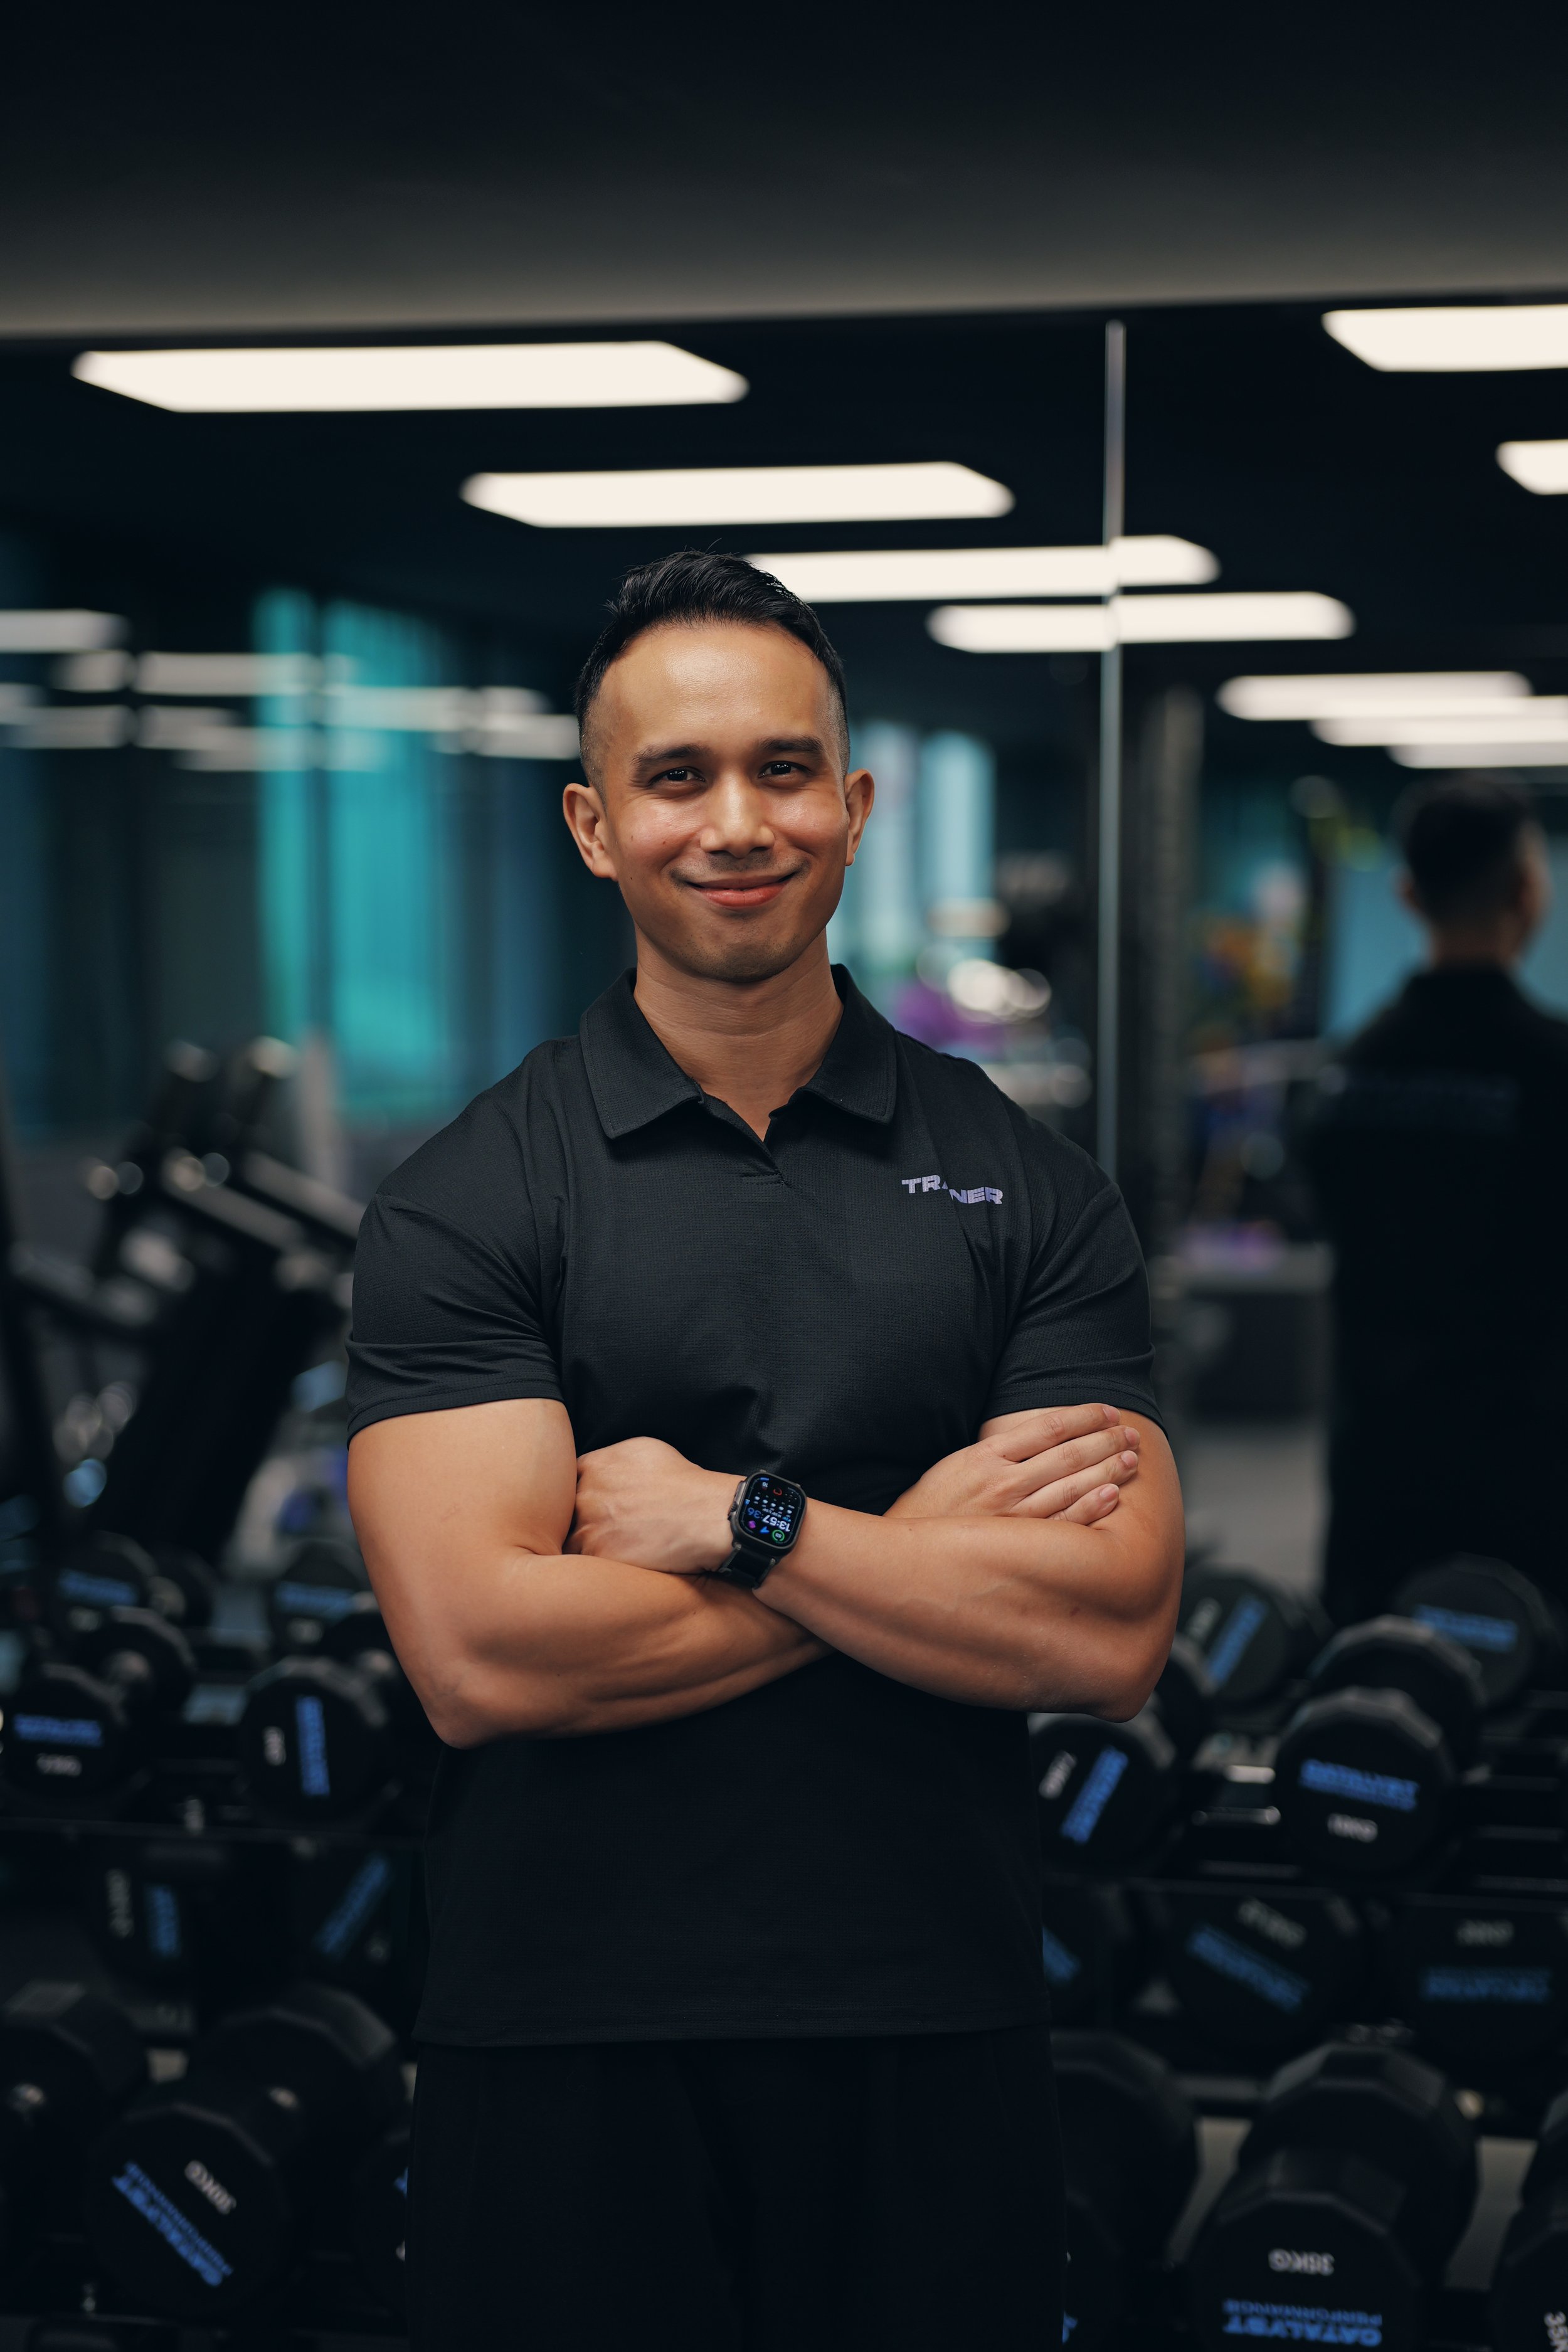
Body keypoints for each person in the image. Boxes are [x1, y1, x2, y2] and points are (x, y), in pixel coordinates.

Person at [344, 550, 1184, 2352]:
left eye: (784, 769)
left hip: (930, 2008)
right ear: (592, 823)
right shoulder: (474, 1196)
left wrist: (742, 1518)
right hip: (562, 2024)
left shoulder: (1028, 1186)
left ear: (856, 802)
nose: (738, 820)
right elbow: (482, 1653)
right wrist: (905, 1549)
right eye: (677, 776)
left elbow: (1104, 1630)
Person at [1303, 774, 1568, 1622]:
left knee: (1372, 1701)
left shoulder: (1349, 1073)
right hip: (1529, 1466)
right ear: (1529, 890)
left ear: (1409, 893)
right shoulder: (1553, 1069)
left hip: (1377, 1461)